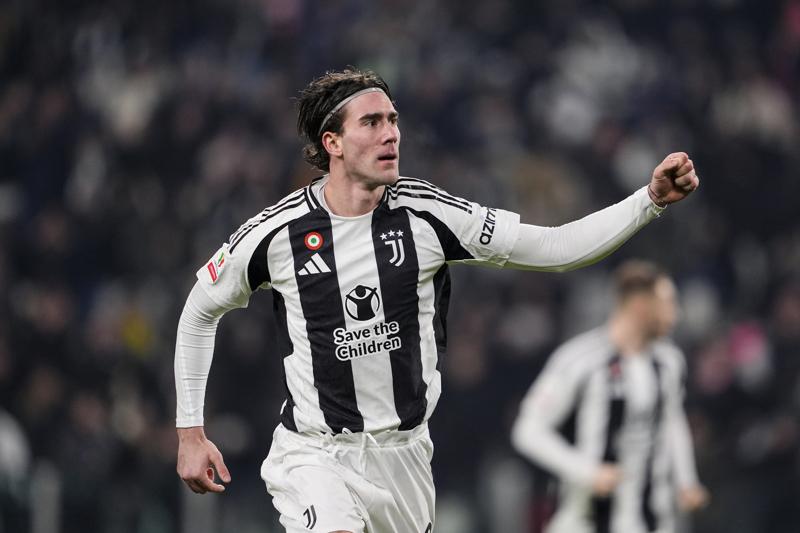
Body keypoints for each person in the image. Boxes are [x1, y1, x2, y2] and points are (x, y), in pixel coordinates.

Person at [174, 68, 700, 533]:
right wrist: (190, 432)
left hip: (405, 457)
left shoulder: (428, 216)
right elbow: (200, 310)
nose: (390, 134)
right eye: (371, 123)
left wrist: (648, 201)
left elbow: (557, 248)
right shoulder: (277, 233)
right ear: (332, 142)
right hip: (317, 451)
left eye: (393, 120)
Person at [511, 260, 709, 533]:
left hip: (652, 521)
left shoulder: (669, 362)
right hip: (585, 520)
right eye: (667, 303)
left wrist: (687, 481)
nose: (675, 314)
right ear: (639, 305)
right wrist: (587, 472)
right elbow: (527, 431)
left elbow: (672, 420)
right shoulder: (580, 360)